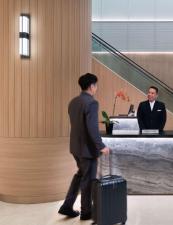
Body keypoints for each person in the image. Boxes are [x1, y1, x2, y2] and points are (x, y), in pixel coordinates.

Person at [58, 73, 110, 220]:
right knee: (87, 180)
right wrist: (101, 146)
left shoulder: (73, 102)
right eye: (96, 86)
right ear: (91, 86)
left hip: (75, 148)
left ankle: (67, 206)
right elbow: (92, 128)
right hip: (87, 150)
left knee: (81, 175)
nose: (96, 88)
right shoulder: (92, 103)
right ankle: (86, 212)